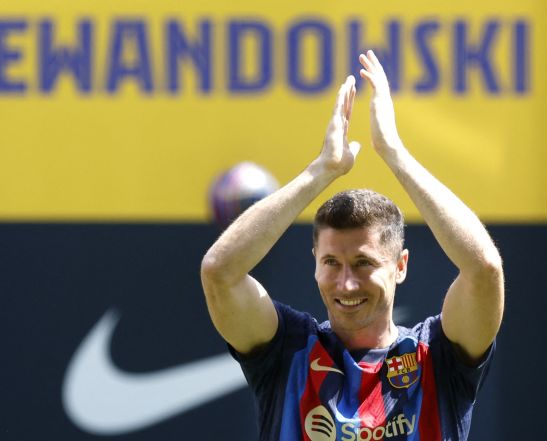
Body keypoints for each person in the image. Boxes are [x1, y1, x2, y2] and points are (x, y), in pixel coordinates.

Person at [200, 50, 504, 441]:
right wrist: (322, 170)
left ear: (400, 266)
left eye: (363, 263)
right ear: (314, 262)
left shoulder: (437, 356)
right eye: (331, 262)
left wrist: (394, 153)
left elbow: (484, 270)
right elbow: (220, 272)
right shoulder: (288, 352)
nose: (345, 283)